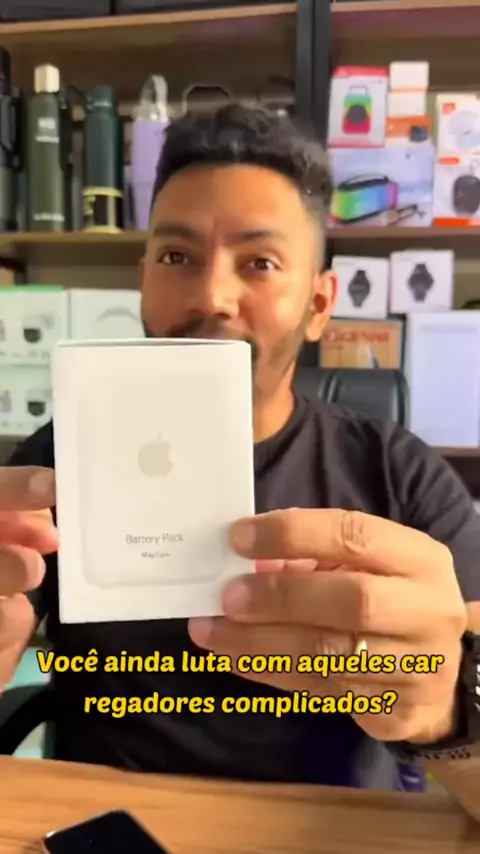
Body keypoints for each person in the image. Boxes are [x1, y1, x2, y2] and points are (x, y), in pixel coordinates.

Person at [1, 105, 480, 817]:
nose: (211, 297)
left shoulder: (397, 474)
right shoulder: (59, 456)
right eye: (177, 257)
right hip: (104, 826)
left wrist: (445, 711)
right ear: (143, 280)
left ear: (320, 304)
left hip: (328, 831)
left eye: (259, 263)